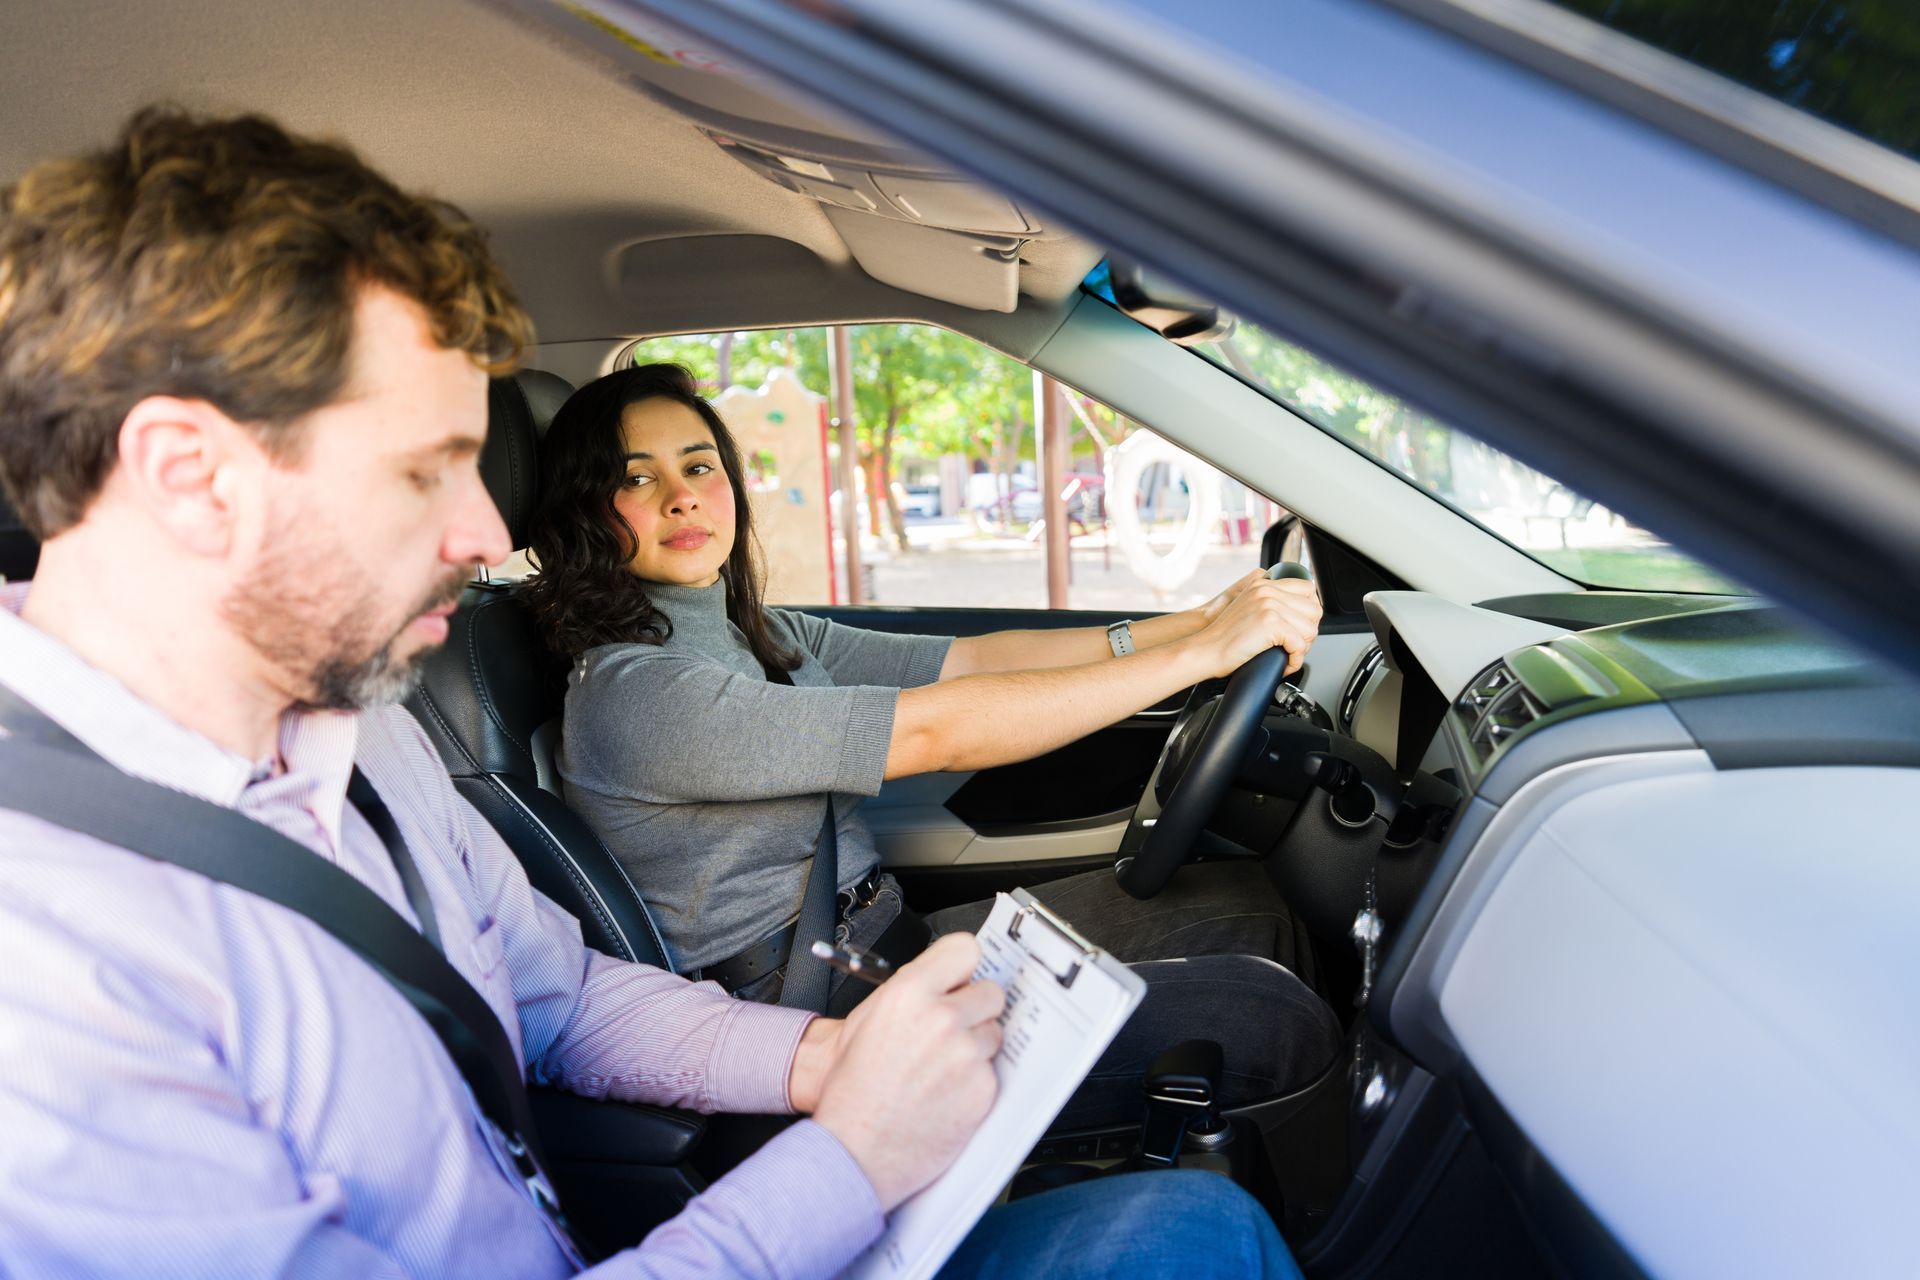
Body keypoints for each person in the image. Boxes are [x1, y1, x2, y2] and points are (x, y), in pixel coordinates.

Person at [0, 108, 1303, 1278]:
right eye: (422, 472)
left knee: (1202, 1225)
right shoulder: (47, 983)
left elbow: (561, 994)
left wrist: (820, 1059)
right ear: (191, 476)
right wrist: (851, 1159)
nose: (484, 534)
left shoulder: (362, 739)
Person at [523, 365, 1342, 1128]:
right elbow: (935, 729)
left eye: (699, 466)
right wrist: (1202, 658)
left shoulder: (755, 632)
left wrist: (1199, 622)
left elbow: (973, 661)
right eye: (637, 479)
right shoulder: (637, 691)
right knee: (1273, 1023)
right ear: (586, 513)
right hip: (814, 1009)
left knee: (1244, 906)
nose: (681, 498)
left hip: (884, 937)